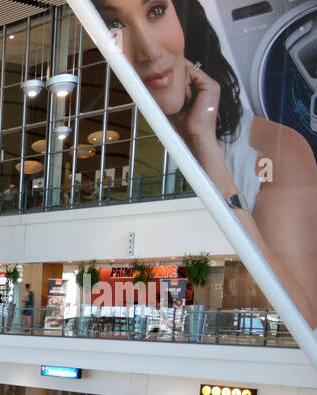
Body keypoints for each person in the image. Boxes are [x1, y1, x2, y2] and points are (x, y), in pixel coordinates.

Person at [91, 0, 317, 327]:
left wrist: (206, 145)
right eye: (116, 26)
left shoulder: (273, 150)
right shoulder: (119, 134)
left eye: (155, 11)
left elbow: (304, 317)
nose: (148, 50)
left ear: (184, 18)